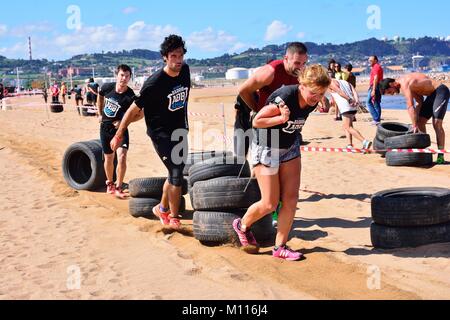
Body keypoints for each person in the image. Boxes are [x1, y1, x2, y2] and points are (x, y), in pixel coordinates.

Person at [232, 65, 331, 261]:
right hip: (267, 148)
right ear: (301, 85)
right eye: (313, 93)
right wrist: (281, 117)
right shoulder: (285, 98)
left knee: (291, 200)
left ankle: (280, 247)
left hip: (290, 147)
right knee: (269, 203)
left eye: (320, 93)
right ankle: (242, 225)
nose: (316, 97)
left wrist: (326, 99)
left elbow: (327, 90)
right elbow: (257, 121)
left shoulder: (315, 97)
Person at [111, 35, 190, 229]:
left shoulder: (185, 71)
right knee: (176, 172)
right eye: (173, 55)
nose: (178, 60)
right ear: (165, 57)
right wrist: (119, 133)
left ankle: (161, 208)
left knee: (175, 173)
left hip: (180, 130)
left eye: (180, 55)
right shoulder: (154, 82)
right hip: (160, 133)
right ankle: (173, 216)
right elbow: (133, 109)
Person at [235, 42, 309, 159]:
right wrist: (257, 110)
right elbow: (243, 90)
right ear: (286, 58)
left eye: (304, 63)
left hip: (277, 120)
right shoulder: (270, 72)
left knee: (272, 159)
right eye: (297, 63)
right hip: (256, 114)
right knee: (250, 155)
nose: (300, 67)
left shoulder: (300, 74)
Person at [380, 74, 449, 164]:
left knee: (436, 123)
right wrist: (416, 121)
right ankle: (425, 151)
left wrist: (414, 125)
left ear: (391, 84)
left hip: (441, 91)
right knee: (420, 122)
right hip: (431, 95)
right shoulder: (407, 86)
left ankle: (441, 155)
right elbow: (419, 100)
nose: (392, 94)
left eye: (390, 92)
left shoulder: (404, 83)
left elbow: (410, 106)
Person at [98, 64, 138, 198]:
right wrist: (99, 113)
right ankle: (110, 183)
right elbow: (100, 96)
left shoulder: (130, 95)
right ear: (117, 75)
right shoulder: (107, 87)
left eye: (127, 76)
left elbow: (139, 114)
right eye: (122, 75)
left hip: (121, 130)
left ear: (130, 78)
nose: (124, 78)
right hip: (105, 128)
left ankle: (119, 186)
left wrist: (124, 123)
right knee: (109, 157)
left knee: (122, 156)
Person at [329, 79, 372, 150]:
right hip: (353, 106)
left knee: (348, 127)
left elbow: (339, 92)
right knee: (347, 126)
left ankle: (364, 141)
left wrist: (349, 99)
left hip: (346, 106)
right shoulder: (346, 82)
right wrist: (357, 100)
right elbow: (354, 91)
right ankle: (349, 145)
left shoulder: (331, 83)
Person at [367, 56, 384, 125]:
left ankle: (376, 119)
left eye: (371, 60)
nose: (369, 62)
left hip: (375, 86)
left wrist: (373, 89)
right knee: (376, 103)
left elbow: (376, 78)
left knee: (369, 102)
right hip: (375, 86)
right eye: (369, 60)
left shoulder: (376, 67)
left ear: (376, 60)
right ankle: (377, 119)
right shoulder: (375, 67)